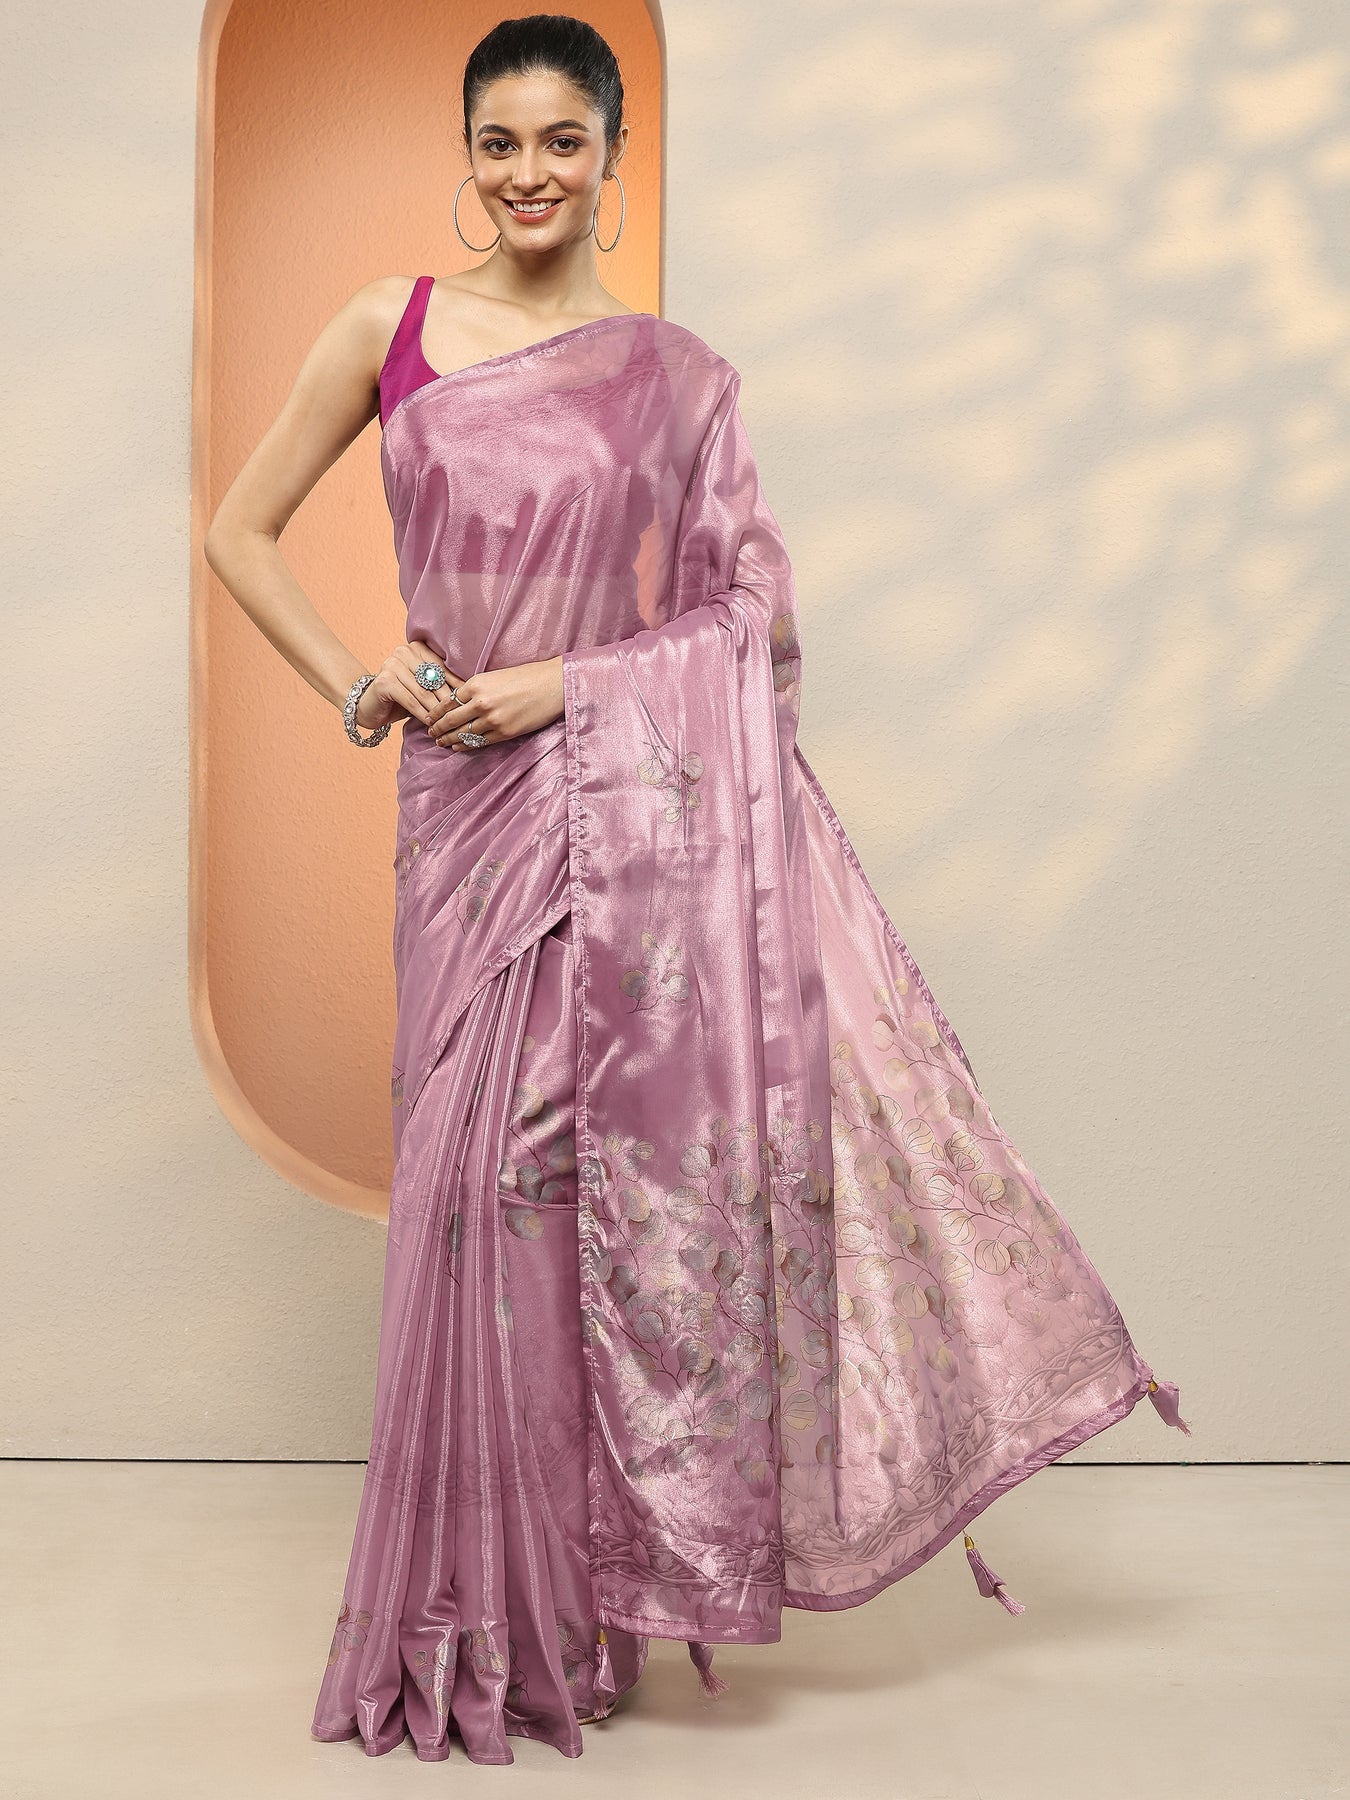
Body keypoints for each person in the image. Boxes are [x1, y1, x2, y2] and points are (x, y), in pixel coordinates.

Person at [204, 12, 1191, 1769]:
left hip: (614, 820)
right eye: (497, 142)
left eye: (559, 141)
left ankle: (573, 1616)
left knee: (573, 1196)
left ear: (611, 154)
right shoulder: (390, 325)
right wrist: (364, 683)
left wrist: (565, 687)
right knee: (468, 1202)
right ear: (465, 156)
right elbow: (238, 531)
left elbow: (752, 624)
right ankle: (463, 1614)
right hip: (463, 820)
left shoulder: (675, 377)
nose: (527, 172)